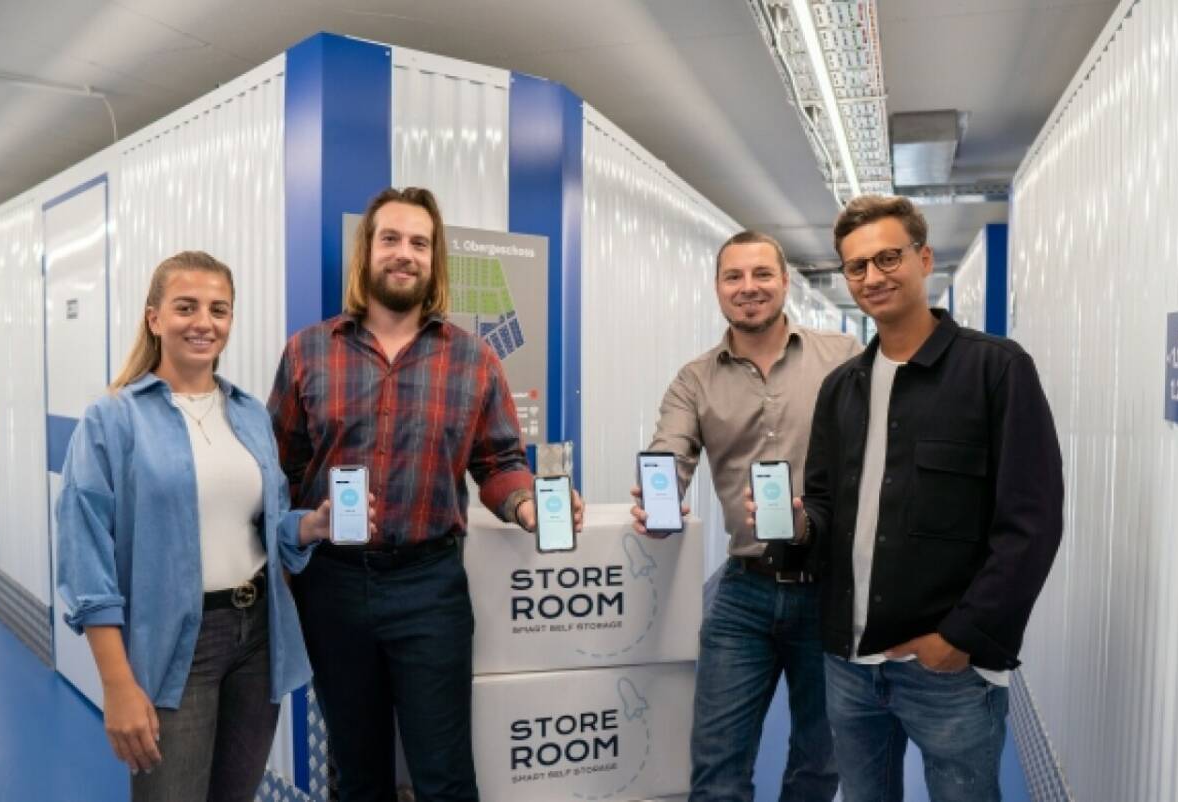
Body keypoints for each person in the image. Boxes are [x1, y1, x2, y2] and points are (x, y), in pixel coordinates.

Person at [268, 186, 582, 802]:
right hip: (332, 588)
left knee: (443, 776)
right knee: (357, 775)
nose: (404, 254)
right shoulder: (308, 353)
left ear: (435, 260)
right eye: (391, 239)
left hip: (429, 587)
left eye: (419, 242)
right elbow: (281, 469)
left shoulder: (472, 359)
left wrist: (525, 506)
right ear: (368, 253)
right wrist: (303, 527)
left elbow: (499, 462)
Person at [795, 195, 1063, 801]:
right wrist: (797, 526)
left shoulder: (996, 370)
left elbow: (1032, 522)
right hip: (848, 664)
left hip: (945, 669)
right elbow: (823, 507)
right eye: (856, 267)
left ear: (923, 258)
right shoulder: (842, 389)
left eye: (887, 258)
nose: (872, 277)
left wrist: (961, 639)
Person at [57, 250, 341, 802]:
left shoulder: (249, 413)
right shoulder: (113, 419)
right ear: (154, 318)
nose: (204, 322)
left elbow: (263, 526)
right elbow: (85, 557)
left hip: (258, 635)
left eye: (219, 309)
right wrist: (118, 684)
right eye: (186, 307)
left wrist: (307, 529)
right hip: (176, 644)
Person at [630, 230, 856, 801]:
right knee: (716, 769)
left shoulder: (844, 358)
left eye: (761, 275)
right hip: (743, 595)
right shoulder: (695, 380)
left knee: (818, 764)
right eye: (734, 277)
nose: (748, 288)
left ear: (785, 281)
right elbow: (670, 448)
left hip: (830, 590)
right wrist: (660, 497)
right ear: (717, 288)